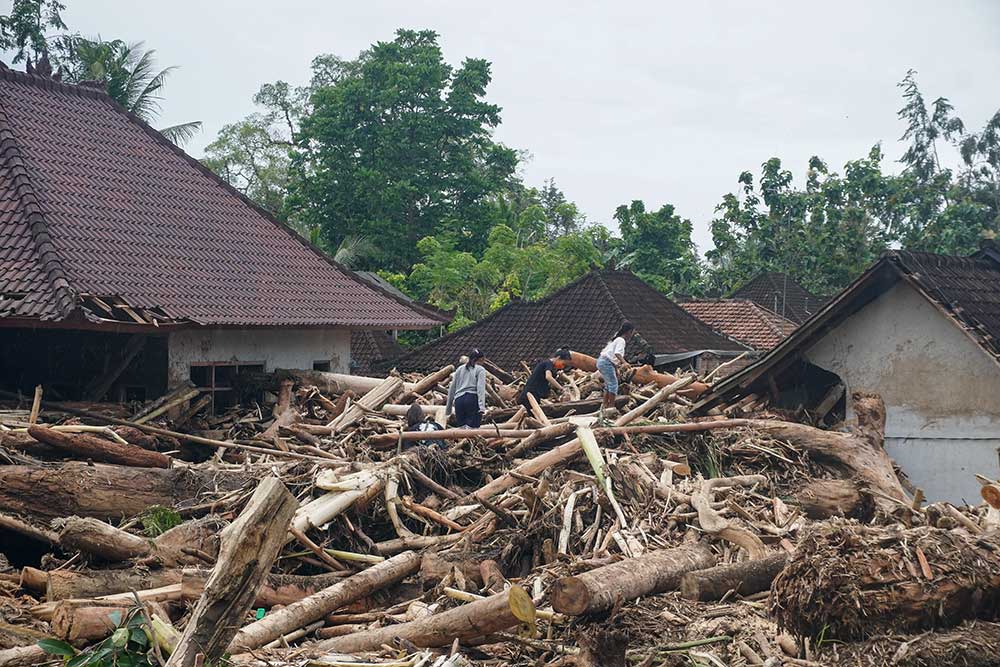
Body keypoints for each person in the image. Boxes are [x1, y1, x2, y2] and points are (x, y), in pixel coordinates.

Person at [597, 322, 636, 422]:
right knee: (613, 384)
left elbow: (612, 357)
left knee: (608, 384)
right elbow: (617, 354)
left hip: (604, 361)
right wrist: (625, 363)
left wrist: (616, 370)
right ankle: (611, 406)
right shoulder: (621, 340)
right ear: (629, 332)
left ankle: (605, 405)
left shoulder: (616, 339)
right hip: (606, 362)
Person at [446, 349, 487, 428]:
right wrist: (482, 407)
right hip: (472, 399)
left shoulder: (459, 369)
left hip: (459, 400)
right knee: (472, 430)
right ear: (481, 359)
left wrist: (449, 408)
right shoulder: (480, 369)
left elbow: (452, 388)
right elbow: (480, 388)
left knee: (462, 429)